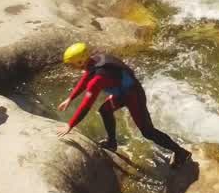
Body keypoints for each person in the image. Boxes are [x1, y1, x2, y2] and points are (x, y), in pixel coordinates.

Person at [55, 43, 192, 167]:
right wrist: (70, 98)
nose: (70, 67)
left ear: (80, 61)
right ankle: (112, 143)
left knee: (147, 132)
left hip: (133, 96)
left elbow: (86, 105)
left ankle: (181, 153)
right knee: (105, 110)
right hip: (122, 92)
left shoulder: (97, 80)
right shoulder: (95, 59)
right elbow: (86, 77)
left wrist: (70, 125)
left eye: (72, 64)